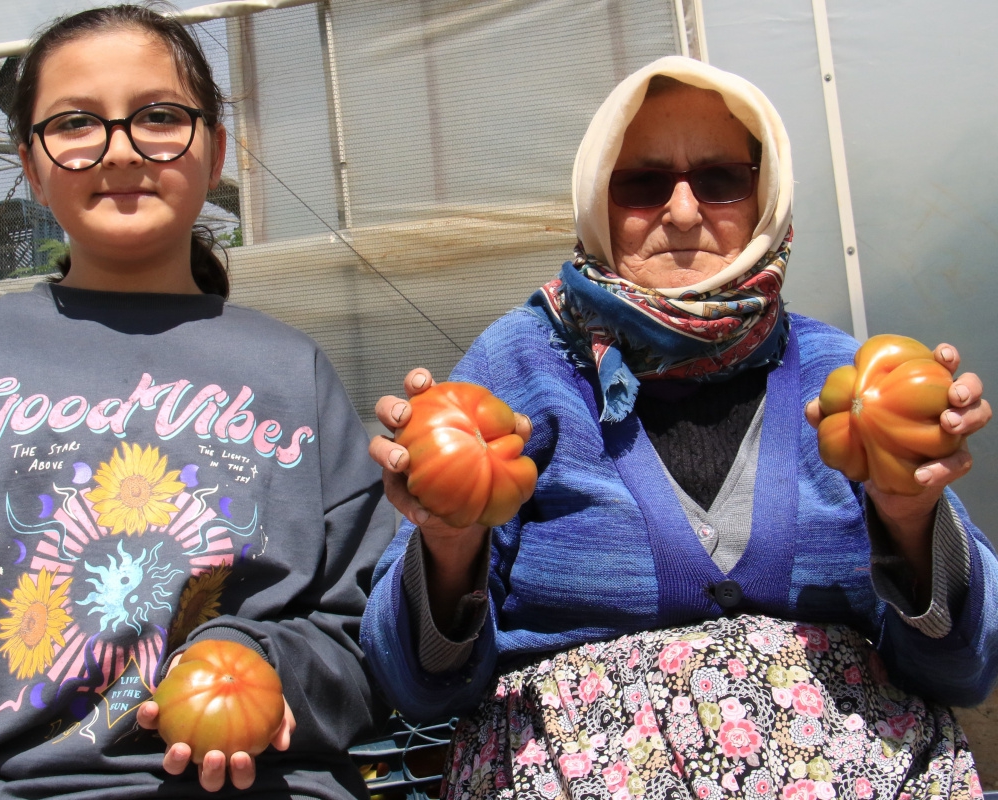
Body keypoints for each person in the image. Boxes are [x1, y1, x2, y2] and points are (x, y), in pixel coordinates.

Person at [0, 6, 391, 798]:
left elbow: (363, 639)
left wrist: (272, 670)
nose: (119, 147)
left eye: (158, 116)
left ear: (213, 150)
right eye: (76, 123)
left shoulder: (290, 372)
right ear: (33, 166)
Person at [362, 56, 995, 798]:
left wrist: (910, 515)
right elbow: (416, 684)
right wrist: (448, 544)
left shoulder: (849, 380)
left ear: (765, 194)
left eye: (722, 179)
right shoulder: (516, 372)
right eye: (643, 183)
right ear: (598, 195)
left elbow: (963, 667)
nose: (685, 212)